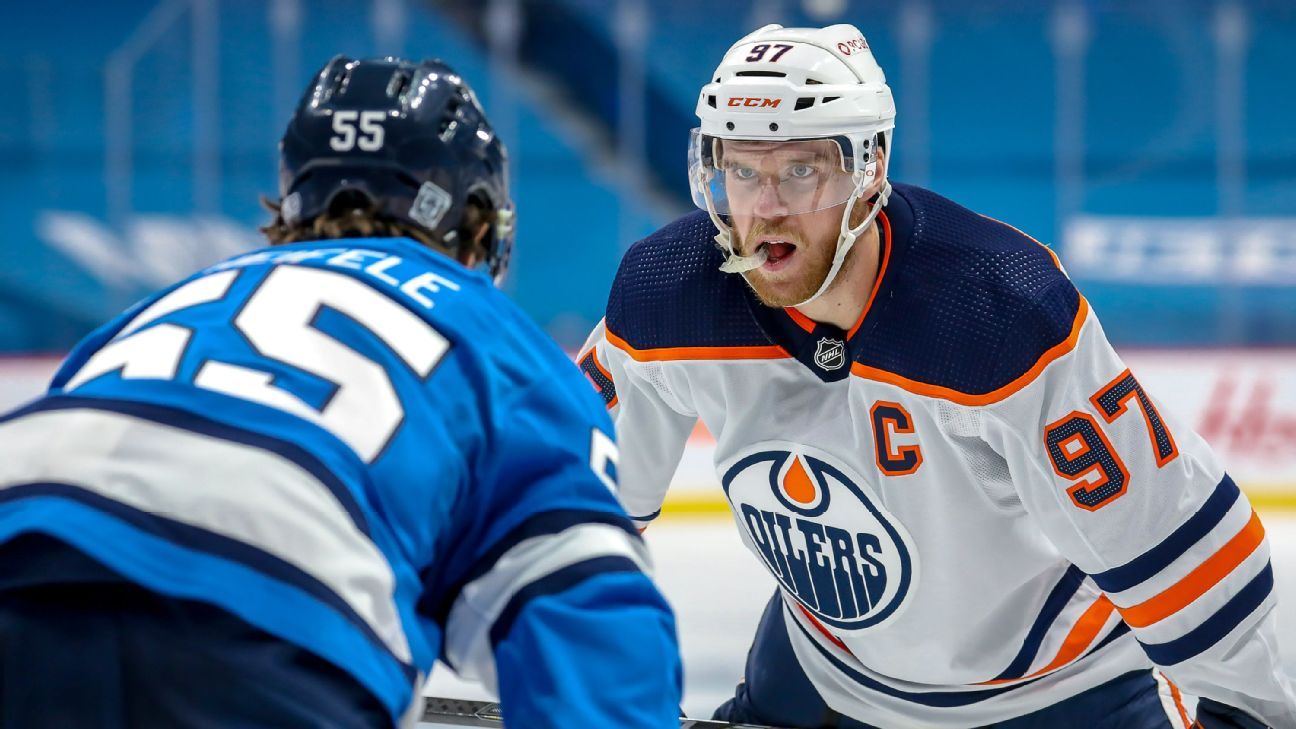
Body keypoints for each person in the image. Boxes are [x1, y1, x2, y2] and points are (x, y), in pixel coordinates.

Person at [579, 23, 1296, 729]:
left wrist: (1253, 709)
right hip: (826, 674)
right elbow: (568, 507)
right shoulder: (666, 292)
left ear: (869, 170)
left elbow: (1176, 536)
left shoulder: (995, 310)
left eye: (800, 170)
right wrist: (599, 674)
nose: (764, 207)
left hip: (1065, 692)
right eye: (742, 170)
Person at [0, 56, 682, 729]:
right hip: (267, 613)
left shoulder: (167, 305)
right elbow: (589, 616)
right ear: (477, 217)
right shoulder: (497, 340)